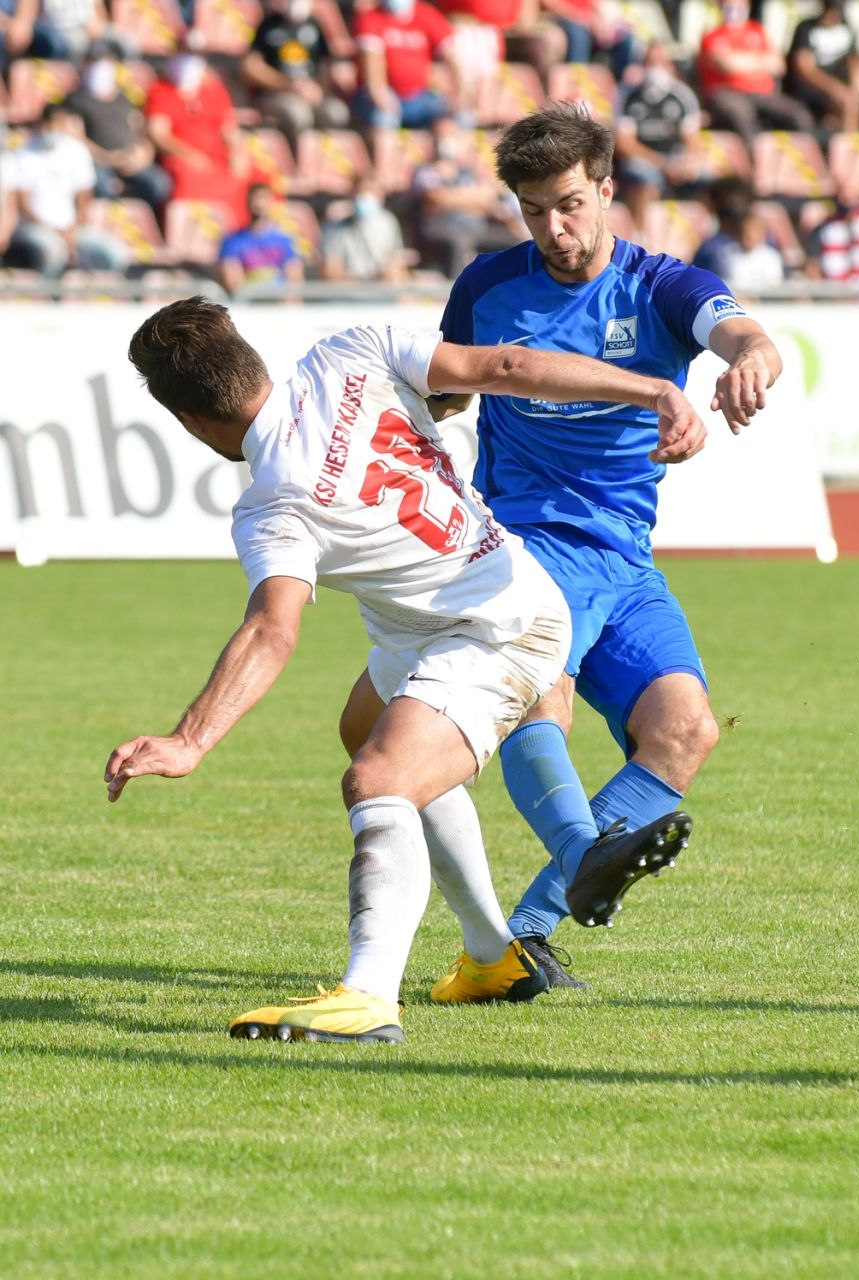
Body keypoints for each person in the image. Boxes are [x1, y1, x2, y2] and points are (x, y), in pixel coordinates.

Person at [107, 296, 711, 1041]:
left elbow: (272, 629)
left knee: (379, 779)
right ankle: (493, 955)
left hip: (494, 628)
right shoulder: (349, 351)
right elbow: (505, 368)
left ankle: (367, 996)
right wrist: (652, 387)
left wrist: (190, 739)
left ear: (192, 424)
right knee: (362, 726)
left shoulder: (272, 505)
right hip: (460, 605)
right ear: (250, 358)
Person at [435, 106, 784, 989]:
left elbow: (742, 335)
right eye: (532, 210)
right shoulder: (486, 288)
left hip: (623, 560)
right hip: (525, 545)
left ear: (606, 192)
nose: (554, 229)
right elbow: (442, 393)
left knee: (685, 730)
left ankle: (526, 930)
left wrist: (751, 366)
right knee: (538, 702)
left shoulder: (662, 285)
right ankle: (585, 856)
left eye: (569, 204)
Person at [3, 102, 128, 275]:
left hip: (72, 228)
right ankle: (47, 298)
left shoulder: (76, 152)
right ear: (42, 123)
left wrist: (73, 229)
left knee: (116, 253)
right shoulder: (22, 155)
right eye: (51, 123)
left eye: (60, 124)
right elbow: (23, 205)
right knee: (53, 253)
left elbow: (84, 198)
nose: (55, 129)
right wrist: (56, 231)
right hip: (35, 228)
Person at [146, 51, 252, 226]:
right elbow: (158, 134)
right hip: (182, 158)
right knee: (187, 177)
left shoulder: (214, 89)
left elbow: (230, 131)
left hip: (216, 156)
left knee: (251, 173)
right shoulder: (160, 90)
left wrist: (238, 152)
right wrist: (189, 155)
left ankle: (242, 231)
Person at [412, 119, 523, 275]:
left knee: (515, 243)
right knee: (459, 242)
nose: (445, 140)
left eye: (450, 135)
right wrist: (472, 199)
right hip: (443, 229)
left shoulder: (467, 172)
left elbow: (488, 198)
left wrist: (453, 198)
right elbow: (434, 198)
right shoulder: (425, 171)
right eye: (440, 135)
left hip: (476, 228)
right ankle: (455, 292)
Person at [69, 45, 172, 212]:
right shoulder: (75, 100)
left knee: (159, 185)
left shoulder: (125, 99)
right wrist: (108, 158)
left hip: (131, 160)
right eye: (95, 62)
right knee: (103, 185)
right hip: (98, 161)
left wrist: (144, 154)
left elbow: (142, 131)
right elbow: (75, 138)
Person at [697, 0, 813, 141]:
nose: (735, 10)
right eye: (730, 5)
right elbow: (726, 65)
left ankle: (805, 158)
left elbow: (778, 65)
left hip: (764, 94)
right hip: (728, 93)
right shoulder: (712, 35)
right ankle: (756, 160)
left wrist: (740, 60)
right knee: (742, 114)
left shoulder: (757, 31)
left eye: (740, 6)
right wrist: (760, 61)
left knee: (798, 114)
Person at [243, 0, 354, 139]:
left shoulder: (314, 25)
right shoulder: (268, 25)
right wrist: (287, 85)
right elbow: (251, 67)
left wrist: (318, 89)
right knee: (298, 114)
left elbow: (325, 65)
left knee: (336, 113)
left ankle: (325, 155)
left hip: (311, 92)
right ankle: (294, 155)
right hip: (277, 93)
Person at [787, 0, 859, 134]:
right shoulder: (806, 28)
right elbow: (805, 70)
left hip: (844, 86)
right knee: (849, 103)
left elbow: (854, 61)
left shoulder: (846, 26)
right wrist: (836, 89)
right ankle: (851, 149)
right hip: (816, 91)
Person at [353, 0, 463, 130]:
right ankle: (385, 149)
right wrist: (379, 93)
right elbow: (371, 60)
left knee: (452, 121)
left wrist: (459, 94)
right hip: (386, 95)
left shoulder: (426, 14)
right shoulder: (371, 17)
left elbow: (452, 56)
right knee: (384, 121)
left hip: (420, 96)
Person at [617, 41, 701, 197]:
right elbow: (625, 145)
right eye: (651, 62)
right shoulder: (628, 96)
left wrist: (688, 162)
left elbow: (692, 140)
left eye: (661, 62)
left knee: (705, 176)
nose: (656, 68)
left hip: (675, 158)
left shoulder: (683, 96)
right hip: (644, 160)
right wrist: (662, 164)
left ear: (671, 66)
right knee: (643, 176)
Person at [321, 173, 409, 282]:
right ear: (352, 193)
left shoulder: (388, 222)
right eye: (362, 190)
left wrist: (389, 275)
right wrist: (363, 282)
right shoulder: (335, 224)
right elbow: (330, 272)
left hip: (381, 294)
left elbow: (396, 264)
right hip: (345, 295)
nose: (366, 195)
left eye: (372, 191)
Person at [218, 183, 304, 292]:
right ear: (247, 202)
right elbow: (233, 283)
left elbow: (295, 280)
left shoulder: (285, 240)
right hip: (249, 304)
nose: (259, 204)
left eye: (263, 198)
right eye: (255, 198)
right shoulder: (233, 241)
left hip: (279, 303)